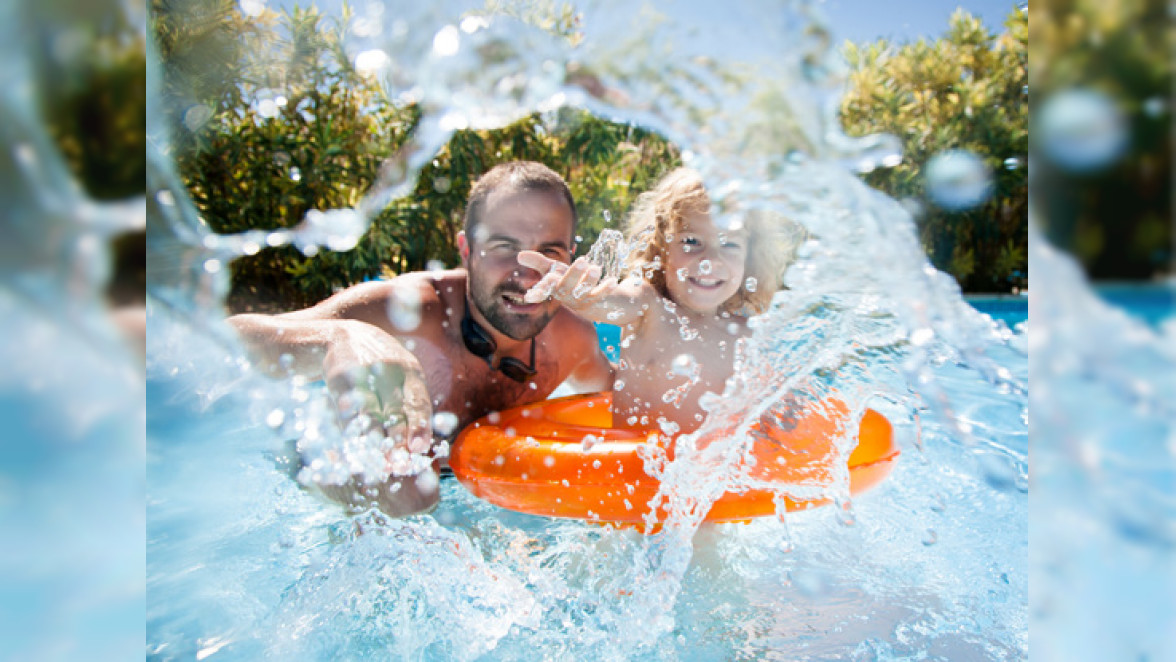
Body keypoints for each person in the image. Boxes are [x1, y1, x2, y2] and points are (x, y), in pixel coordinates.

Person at [228, 161, 614, 517]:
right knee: (409, 491)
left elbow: (630, 400)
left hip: (468, 500)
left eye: (549, 251)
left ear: (570, 256)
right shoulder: (409, 312)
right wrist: (341, 337)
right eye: (504, 248)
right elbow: (232, 339)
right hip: (321, 489)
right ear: (467, 251)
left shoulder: (572, 337)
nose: (528, 275)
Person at [519, 167, 788, 435]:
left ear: (749, 259)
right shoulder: (650, 305)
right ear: (661, 247)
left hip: (704, 472)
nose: (709, 260)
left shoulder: (748, 336)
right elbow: (614, 302)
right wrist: (583, 297)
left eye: (730, 245)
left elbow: (768, 414)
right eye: (692, 241)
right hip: (635, 468)